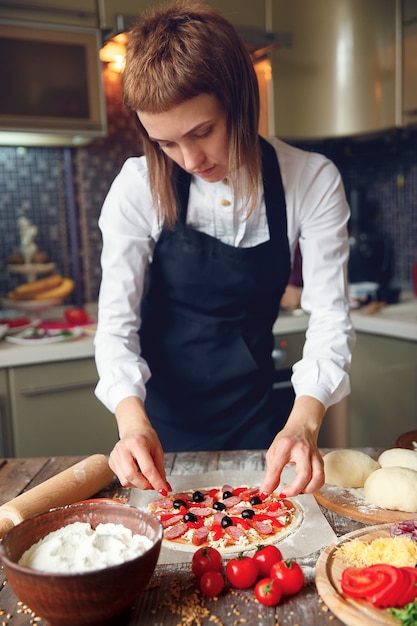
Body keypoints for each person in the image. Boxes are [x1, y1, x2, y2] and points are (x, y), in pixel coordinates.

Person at [94, 0, 356, 498]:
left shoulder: (312, 179)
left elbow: (330, 318)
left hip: (263, 424)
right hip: (157, 424)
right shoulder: (135, 186)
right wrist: (131, 423)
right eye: (167, 144)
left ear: (241, 99)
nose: (189, 159)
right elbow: (115, 327)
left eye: (202, 132)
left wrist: (303, 423)